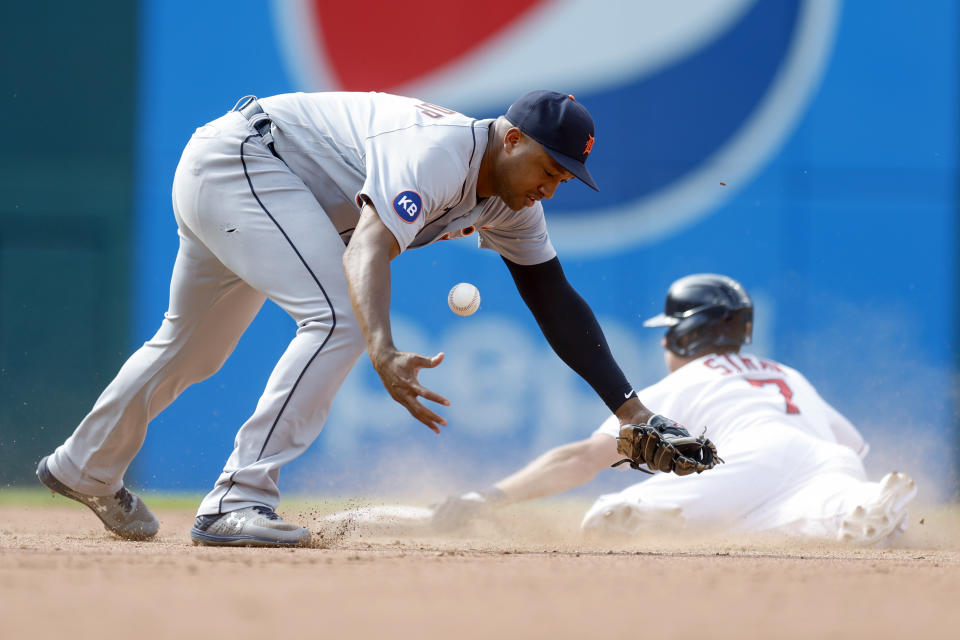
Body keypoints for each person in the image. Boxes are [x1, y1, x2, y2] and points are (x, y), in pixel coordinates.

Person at [36, 90, 681, 547]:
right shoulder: (439, 150)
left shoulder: (513, 205)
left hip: (255, 182)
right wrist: (381, 347)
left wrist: (634, 413)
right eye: (549, 167)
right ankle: (239, 499)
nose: (553, 186)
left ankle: (83, 466)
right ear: (512, 137)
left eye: (566, 177)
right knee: (339, 320)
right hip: (245, 162)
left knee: (191, 350)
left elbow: (556, 302)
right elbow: (369, 245)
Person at [432, 274, 918, 546]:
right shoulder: (785, 373)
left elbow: (581, 459)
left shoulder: (689, 377)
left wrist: (489, 496)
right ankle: (865, 504)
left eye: (670, 330)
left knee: (608, 519)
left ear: (687, 334)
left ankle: (642, 513)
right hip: (828, 464)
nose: (665, 341)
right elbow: (850, 446)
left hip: (744, 463)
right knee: (805, 517)